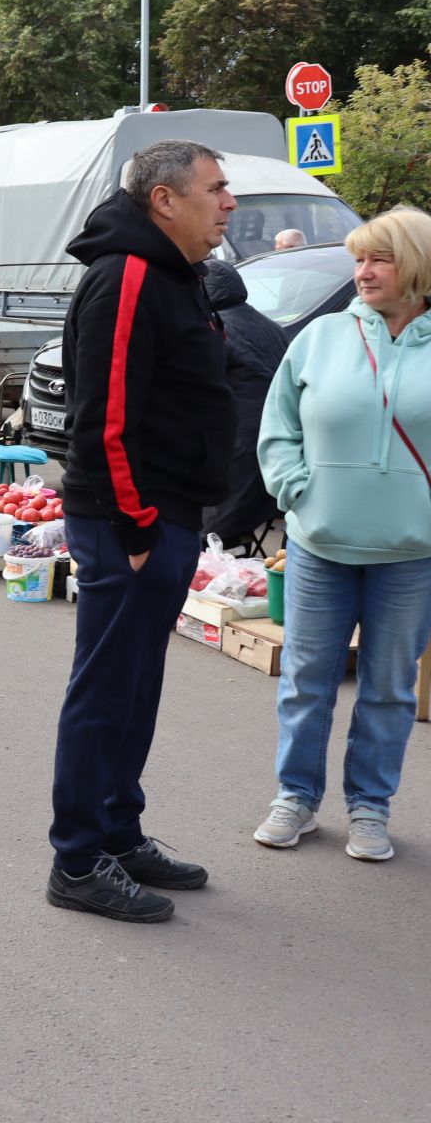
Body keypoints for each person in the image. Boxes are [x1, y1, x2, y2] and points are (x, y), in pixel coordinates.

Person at [46, 139, 237, 924]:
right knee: (104, 689)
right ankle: (78, 859)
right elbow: (105, 413)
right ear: (165, 199)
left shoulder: (171, 274)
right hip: (132, 520)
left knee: (137, 685)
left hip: (166, 515)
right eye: (217, 189)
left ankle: (119, 833)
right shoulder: (126, 274)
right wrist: (134, 524)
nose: (229, 202)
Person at [254, 206, 431, 862]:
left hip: (412, 552)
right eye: (358, 259)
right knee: (306, 680)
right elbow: (278, 429)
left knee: (389, 688)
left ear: (415, 265)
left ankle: (370, 808)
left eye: (378, 259)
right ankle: (296, 797)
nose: (363, 272)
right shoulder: (321, 337)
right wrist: (298, 489)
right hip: (320, 544)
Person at [198, 259, 288, 548]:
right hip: (273, 449)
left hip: (234, 453)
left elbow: (200, 390)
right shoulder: (271, 325)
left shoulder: (215, 328)